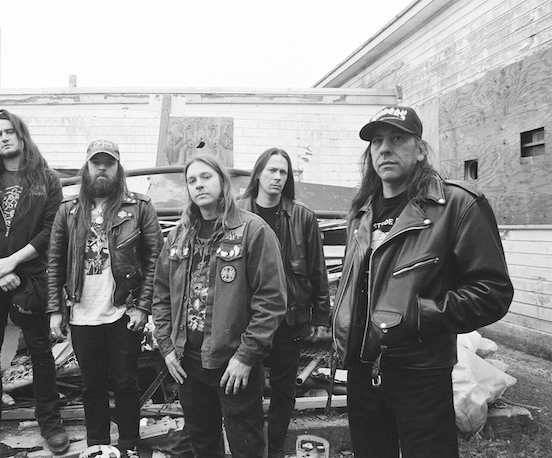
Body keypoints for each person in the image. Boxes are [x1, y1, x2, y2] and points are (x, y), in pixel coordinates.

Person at [331, 106, 514, 458]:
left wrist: (421, 314)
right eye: (377, 141)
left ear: (419, 149)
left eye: (397, 138)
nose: (385, 148)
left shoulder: (456, 205)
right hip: (360, 370)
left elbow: (492, 292)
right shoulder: (361, 212)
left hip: (420, 372)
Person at [152, 154, 287, 458]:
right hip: (187, 363)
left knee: (246, 445)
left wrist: (247, 356)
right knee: (202, 444)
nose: (199, 185)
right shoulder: (178, 236)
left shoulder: (253, 230)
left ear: (223, 182)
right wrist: (167, 347)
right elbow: (160, 293)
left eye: (206, 177)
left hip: (233, 364)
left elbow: (272, 301)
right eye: (192, 180)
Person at [0, 109, 69, 454]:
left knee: (40, 350)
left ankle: (50, 422)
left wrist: (13, 262)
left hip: (31, 275)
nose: (4, 137)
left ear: (21, 135)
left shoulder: (46, 179)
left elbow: (51, 230)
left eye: (9, 131)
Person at [47, 139, 163, 457]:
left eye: (108, 163)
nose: (102, 168)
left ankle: (128, 445)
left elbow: (156, 260)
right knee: (92, 385)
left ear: (118, 169)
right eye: (96, 162)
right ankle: (98, 446)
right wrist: (55, 310)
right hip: (82, 313)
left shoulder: (140, 208)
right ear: (86, 168)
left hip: (123, 311)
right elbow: (55, 262)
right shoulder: (68, 210)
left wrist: (143, 307)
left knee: (126, 382)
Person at [239, 148, 330, 458]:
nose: (277, 177)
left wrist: (320, 315)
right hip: (248, 318)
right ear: (258, 174)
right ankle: (253, 450)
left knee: (284, 389)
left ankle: (275, 449)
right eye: (272, 170)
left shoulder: (302, 216)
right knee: (246, 388)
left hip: (289, 318)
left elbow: (317, 268)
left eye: (283, 172)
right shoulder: (237, 213)